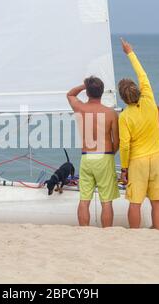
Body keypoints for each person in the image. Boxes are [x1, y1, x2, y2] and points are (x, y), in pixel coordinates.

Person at [118, 38, 159, 231]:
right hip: (157, 157)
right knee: (157, 201)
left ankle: (135, 235)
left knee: (135, 202)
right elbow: (142, 74)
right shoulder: (149, 99)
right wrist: (130, 52)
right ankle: (158, 232)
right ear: (138, 90)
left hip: (137, 161)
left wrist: (124, 168)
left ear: (123, 97)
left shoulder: (125, 116)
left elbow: (124, 145)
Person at [67, 76, 120, 228]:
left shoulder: (80, 109)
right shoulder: (110, 113)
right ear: (102, 92)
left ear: (88, 92)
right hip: (105, 156)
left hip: (87, 157)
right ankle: (107, 232)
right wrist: (110, 154)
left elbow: (70, 94)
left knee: (84, 199)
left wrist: (84, 85)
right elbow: (117, 141)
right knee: (106, 200)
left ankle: (84, 231)